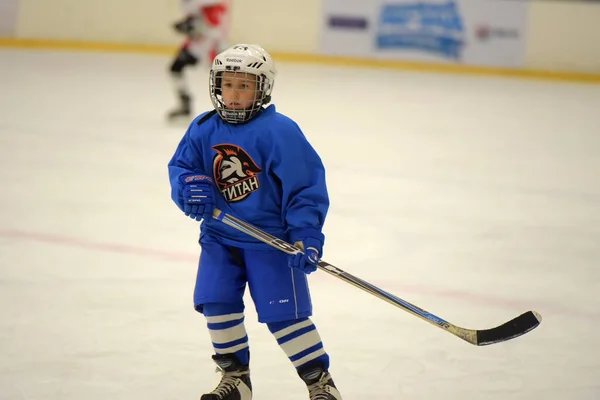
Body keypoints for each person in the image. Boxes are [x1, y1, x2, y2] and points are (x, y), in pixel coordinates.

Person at [167, 44, 342, 400]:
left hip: (270, 241)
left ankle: (320, 385)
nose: (233, 94)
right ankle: (237, 382)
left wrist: (306, 234)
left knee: (284, 315)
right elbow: (181, 169)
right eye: (227, 84)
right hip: (219, 237)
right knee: (216, 301)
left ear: (262, 89)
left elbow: (305, 187)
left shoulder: (280, 132)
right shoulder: (203, 128)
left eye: (244, 86)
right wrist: (190, 187)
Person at [167, 0, 228, 122]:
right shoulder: (188, 3)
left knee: (222, 77)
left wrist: (192, 26)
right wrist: (190, 25)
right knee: (175, 68)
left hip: (210, 44)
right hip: (197, 44)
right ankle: (185, 102)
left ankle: (231, 107)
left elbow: (215, 20)